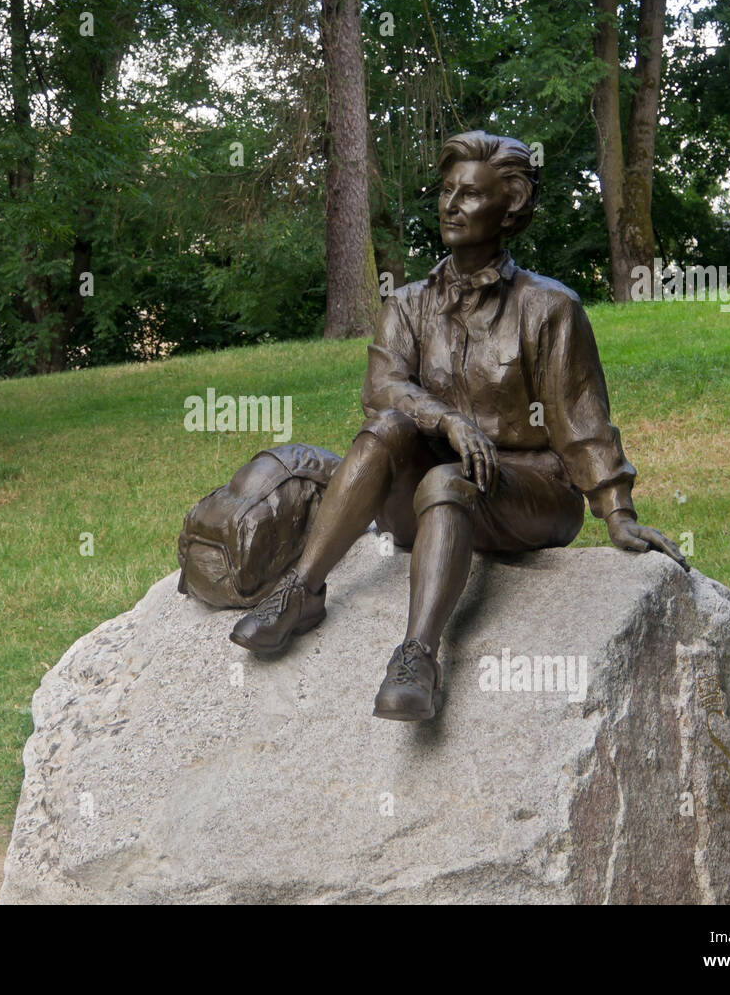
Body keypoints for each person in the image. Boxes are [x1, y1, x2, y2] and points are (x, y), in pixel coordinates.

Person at [230, 130, 687, 721]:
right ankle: (301, 591)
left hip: (528, 491)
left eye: (470, 195)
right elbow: (382, 389)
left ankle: (418, 654)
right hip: (424, 491)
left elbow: (582, 420)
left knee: (447, 482)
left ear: (510, 207)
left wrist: (617, 512)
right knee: (386, 430)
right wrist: (443, 418)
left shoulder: (550, 308)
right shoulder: (409, 304)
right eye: (446, 192)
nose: (450, 205)